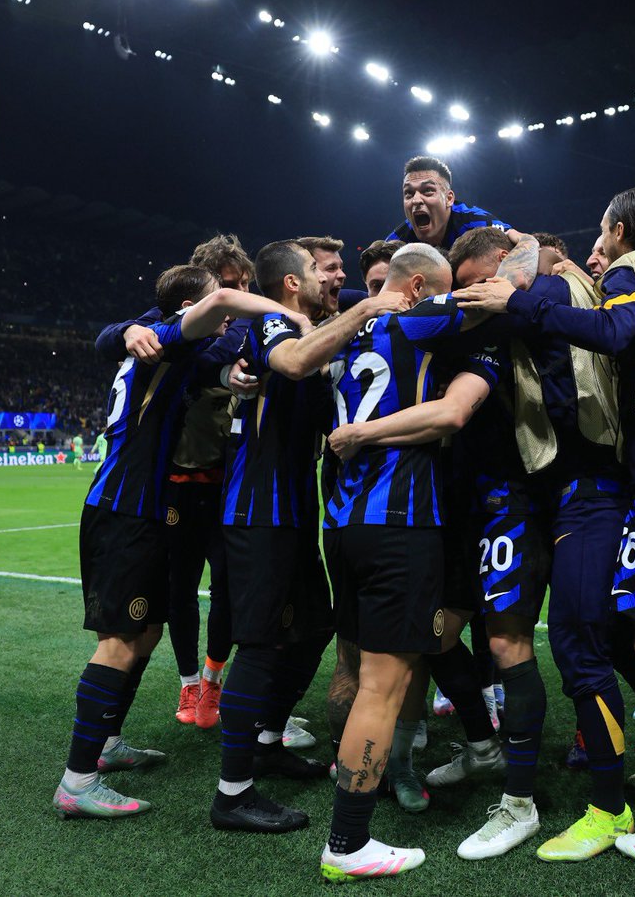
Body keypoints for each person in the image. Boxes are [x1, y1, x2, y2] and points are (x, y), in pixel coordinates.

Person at [458, 187, 635, 867]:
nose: (472, 296)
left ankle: (611, 809)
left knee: (584, 643)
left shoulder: (565, 289)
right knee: (627, 639)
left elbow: (605, 332)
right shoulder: (579, 285)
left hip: (604, 490)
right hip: (614, 486)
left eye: (476, 283)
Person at [53, 265, 304, 819]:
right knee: (119, 642)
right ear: (190, 308)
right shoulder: (166, 336)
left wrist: (231, 375)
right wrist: (286, 313)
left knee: (144, 632)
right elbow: (216, 311)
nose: (225, 317)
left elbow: (208, 364)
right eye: (216, 304)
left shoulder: (161, 345)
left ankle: (106, 741)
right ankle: (77, 781)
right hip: (124, 507)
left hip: (135, 506)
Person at [209, 242, 407, 834]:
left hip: (292, 513)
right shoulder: (273, 320)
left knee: (316, 625)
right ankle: (232, 794)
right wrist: (367, 308)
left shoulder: (310, 331)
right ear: (293, 282)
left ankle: (267, 740)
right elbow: (292, 363)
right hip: (258, 512)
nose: (333, 279)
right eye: (321, 269)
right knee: (260, 644)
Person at [319, 243, 490, 881]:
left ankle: (352, 809)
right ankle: (347, 844)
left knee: (358, 669)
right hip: (400, 525)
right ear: (417, 287)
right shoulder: (417, 319)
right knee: (382, 687)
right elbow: (497, 297)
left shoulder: (342, 340)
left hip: (342, 525)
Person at [95, 233, 255, 731]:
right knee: (179, 587)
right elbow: (109, 338)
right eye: (226, 286)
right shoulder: (193, 322)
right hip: (175, 479)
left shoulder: (250, 321)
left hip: (228, 477)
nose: (236, 295)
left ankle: (213, 679)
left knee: (228, 584)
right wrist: (126, 329)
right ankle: (189, 683)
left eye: (244, 285)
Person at [386, 156, 509, 249]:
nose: (416, 200)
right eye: (409, 193)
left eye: (428, 190)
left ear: (449, 199)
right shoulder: (398, 241)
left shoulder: (476, 223)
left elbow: (519, 244)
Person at [296, 236, 349, 318]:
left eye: (341, 267)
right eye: (331, 268)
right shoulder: (279, 320)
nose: (343, 275)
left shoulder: (348, 299)